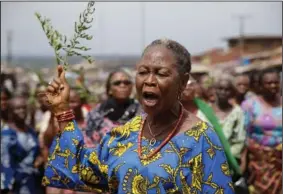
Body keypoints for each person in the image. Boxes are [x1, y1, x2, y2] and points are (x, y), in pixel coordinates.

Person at [42, 39, 233, 193]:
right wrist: (61, 110)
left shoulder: (202, 140)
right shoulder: (126, 134)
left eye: (161, 73)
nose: (149, 81)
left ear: (183, 82)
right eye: (143, 72)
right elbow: (80, 169)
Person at [241, 69, 282, 194]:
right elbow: (244, 135)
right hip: (260, 162)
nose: (273, 86)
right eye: (268, 83)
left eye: (276, 82)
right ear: (260, 85)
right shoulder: (250, 105)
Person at [85, 70, 140, 147]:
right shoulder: (96, 114)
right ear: (109, 89)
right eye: (117, 83)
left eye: (127, 83)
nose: (122, 85)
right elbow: (88, 141)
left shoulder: (141, 111)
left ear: (131, 87)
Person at [1, 96, 44, 194]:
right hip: (16, 186)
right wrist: (7, 188)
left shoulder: (31, 131)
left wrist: (39, 158)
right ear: (10, 111)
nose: (22, 111)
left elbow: (36, 152)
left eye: (24, 107)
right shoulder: (7, 134)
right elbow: (5, 163)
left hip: (34, 183)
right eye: (17, 108)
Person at [209, 74, 246, 163]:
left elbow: (239, 140)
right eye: (220, 89)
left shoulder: (237, 112)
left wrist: (224, 157)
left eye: (227, 90)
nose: (223, 92)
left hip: (229, 161)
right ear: (215, 90)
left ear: (232, 92)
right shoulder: (205, 111)